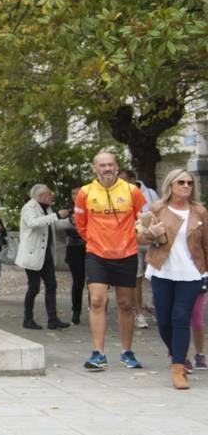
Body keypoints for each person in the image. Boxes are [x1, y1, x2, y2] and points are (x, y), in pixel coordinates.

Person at [75, 150, 146, 371]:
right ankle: (98, 354)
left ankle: (127, 352)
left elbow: (143, 219)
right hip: (97, 254)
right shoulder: (85, 193)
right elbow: (81, 224)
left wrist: (130, 239)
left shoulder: (131, 191)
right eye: (102, 165)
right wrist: (96, 242)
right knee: (97, 301)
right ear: (94, 169)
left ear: (116, 166)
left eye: (111, 164)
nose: (107, 168)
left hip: (126, 255)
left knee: (126, 304)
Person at [139, 169, 208, 390]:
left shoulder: (200, 212)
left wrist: (206, 272)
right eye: (181, 182)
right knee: (164, 320)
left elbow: (206, 244)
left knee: (181, 317)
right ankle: (176, 351)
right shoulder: (157, 209)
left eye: (189, 183)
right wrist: (151, 232)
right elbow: (139, 235)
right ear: (171, 185)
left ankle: (178, 367)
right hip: (162, 270)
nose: (186, 186)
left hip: (191, 273)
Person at [16, 184, 72, 330]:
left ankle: (52, 319)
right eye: (49, 194)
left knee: (52, 285)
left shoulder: (46, 208)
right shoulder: (29, 208)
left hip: (46, 253)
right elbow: (33, 223)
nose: (51, 196)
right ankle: (27, 319)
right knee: (34, 288)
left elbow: (55, 225)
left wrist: (71, 221)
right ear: (40, 196)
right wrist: (57, 215)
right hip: (32, 254)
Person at [121, 170, 155, 329]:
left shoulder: (149, 193)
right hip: (132, 242)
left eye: (124, 181)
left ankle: (156, 306)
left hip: (150, 242)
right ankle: (139, 313)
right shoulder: (118, 195)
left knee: (155, 276)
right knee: (137, 280)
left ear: (133, 180)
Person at [58, 188, 87, 324]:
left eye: (79, 193)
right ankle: (76, 311)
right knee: (78, 281)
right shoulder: (68, 212)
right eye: (73, 193)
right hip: (74, 248)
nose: (76, 196)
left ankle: (97, 309)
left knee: (95, 281)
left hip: (91, 247)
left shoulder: (93, 208)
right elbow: (56, 226)